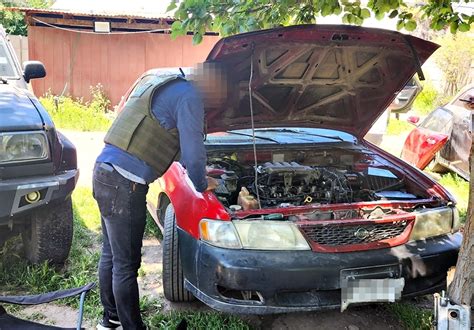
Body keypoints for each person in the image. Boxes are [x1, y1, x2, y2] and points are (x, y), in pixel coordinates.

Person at [92, 63, 227, 330]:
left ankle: (110, 321)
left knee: (111, 254)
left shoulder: (169, 86)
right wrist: (203, 183)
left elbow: (171, 142)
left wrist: (198, 168)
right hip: (125, 184)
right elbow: (193, 154)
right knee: (126, 265)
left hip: (104, 172)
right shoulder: (191, 96)